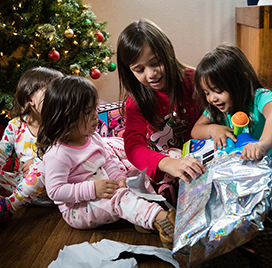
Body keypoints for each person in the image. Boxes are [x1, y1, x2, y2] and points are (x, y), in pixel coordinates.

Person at [36, 75, 176, 249]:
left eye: (94, 108)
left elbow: (108, 161)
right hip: (79, 208)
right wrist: (93, 189)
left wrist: (120, 178)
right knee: (118, 199)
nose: (96, 116)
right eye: (88, 112)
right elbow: (56, 191)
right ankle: (159, 218)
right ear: (66, 118)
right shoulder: (57, 154)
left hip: (105, 187)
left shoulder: (92, 136)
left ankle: (146, 212)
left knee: (134, 173)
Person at [116, 19, 205, 206]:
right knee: (130, 177)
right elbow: (133, 147)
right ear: (129, 71)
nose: (151, 74)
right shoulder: (135, 102)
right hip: (162, 161)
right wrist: (168, 164)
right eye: (139, 70)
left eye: (156, 63)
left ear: (168, 53)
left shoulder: (194, 81)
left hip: (198, 154)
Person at [191, 42, 272, 164]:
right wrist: (213, 129)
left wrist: (263, 144)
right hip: (240, 167)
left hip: (270, 164)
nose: (212, 98)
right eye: (206, 93)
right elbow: (195, 130)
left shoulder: (259, 97)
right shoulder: (217, 108)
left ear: (241, 82)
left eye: (218, 90)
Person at [0, 67, 63, 224]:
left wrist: (39, 160)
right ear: (31, 99)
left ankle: (8, 207)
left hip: (52, 191)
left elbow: (65, 156)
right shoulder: (16, 125)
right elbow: (0, 156)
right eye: (50, 96)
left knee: (43, 167)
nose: (57, 100)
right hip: (21, 189)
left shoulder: (60, 126)